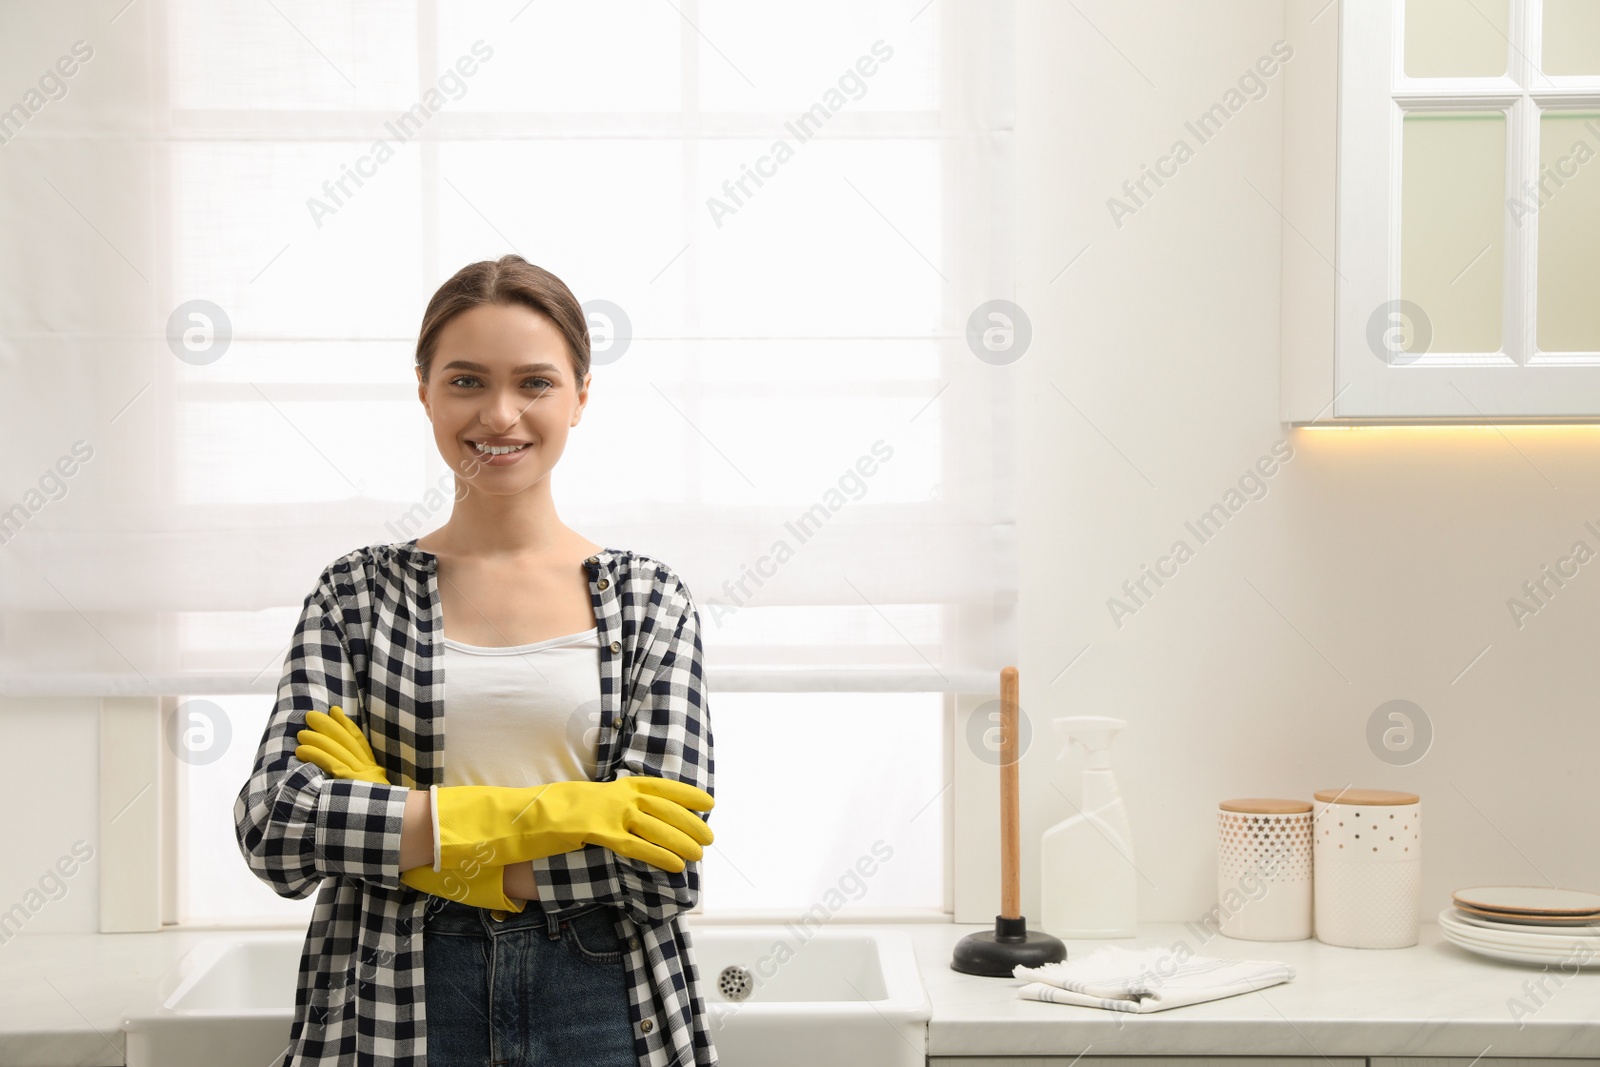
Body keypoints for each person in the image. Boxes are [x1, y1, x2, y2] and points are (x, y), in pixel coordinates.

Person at [233, 254, 719, 1067]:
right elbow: (277, 828)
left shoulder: (649, 600)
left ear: (581, 395)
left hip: (603, 996)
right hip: (390, 988)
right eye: (466, 381)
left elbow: (661, 870)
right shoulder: (357, 595)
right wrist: (555, 813)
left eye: (534, 382)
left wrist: (393, 818)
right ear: (423, 389)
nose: (500, 415)